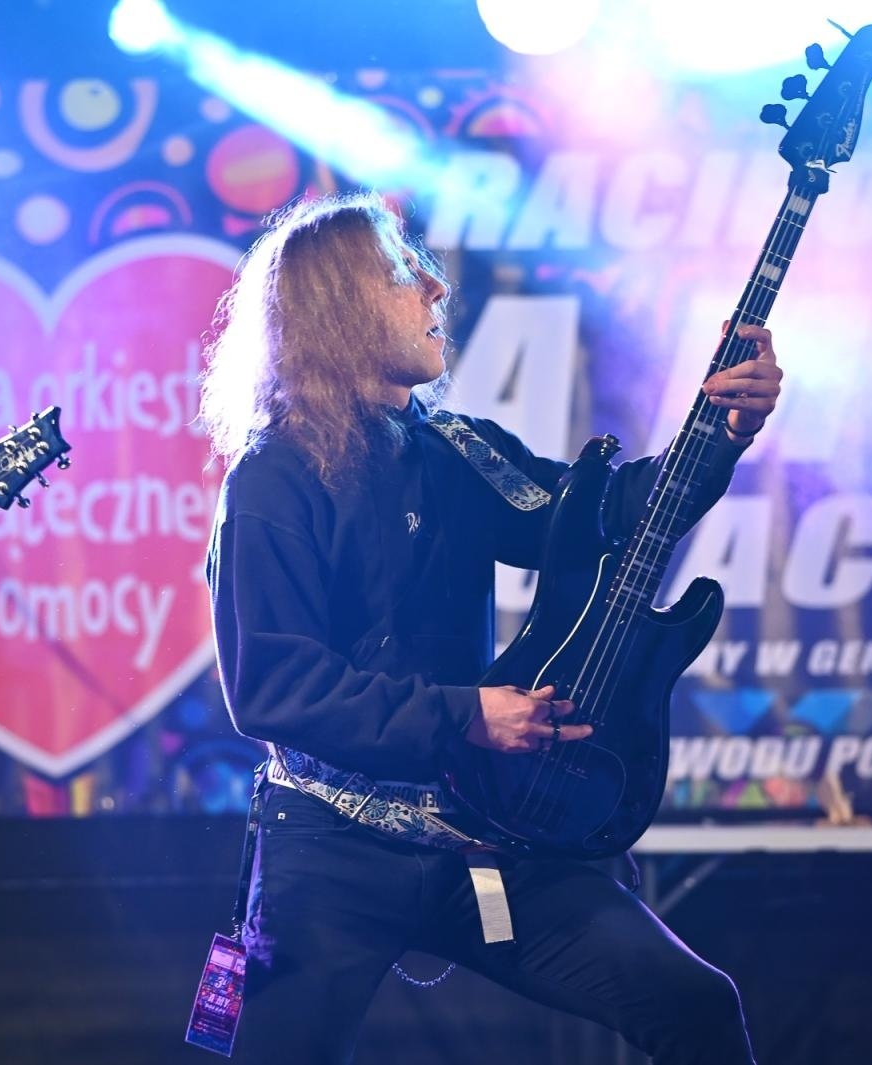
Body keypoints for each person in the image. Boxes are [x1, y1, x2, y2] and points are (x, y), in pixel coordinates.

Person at [200, 192, 782, 1064]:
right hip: (327, 848)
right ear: (341, 308)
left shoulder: (456, 450)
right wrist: (467, 714)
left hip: (481, 832)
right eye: (403, 274)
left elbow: (609, 517)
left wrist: (721, 432)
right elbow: (273, 688)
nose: (437, 287)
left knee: (697, 1002)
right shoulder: (271, 479)